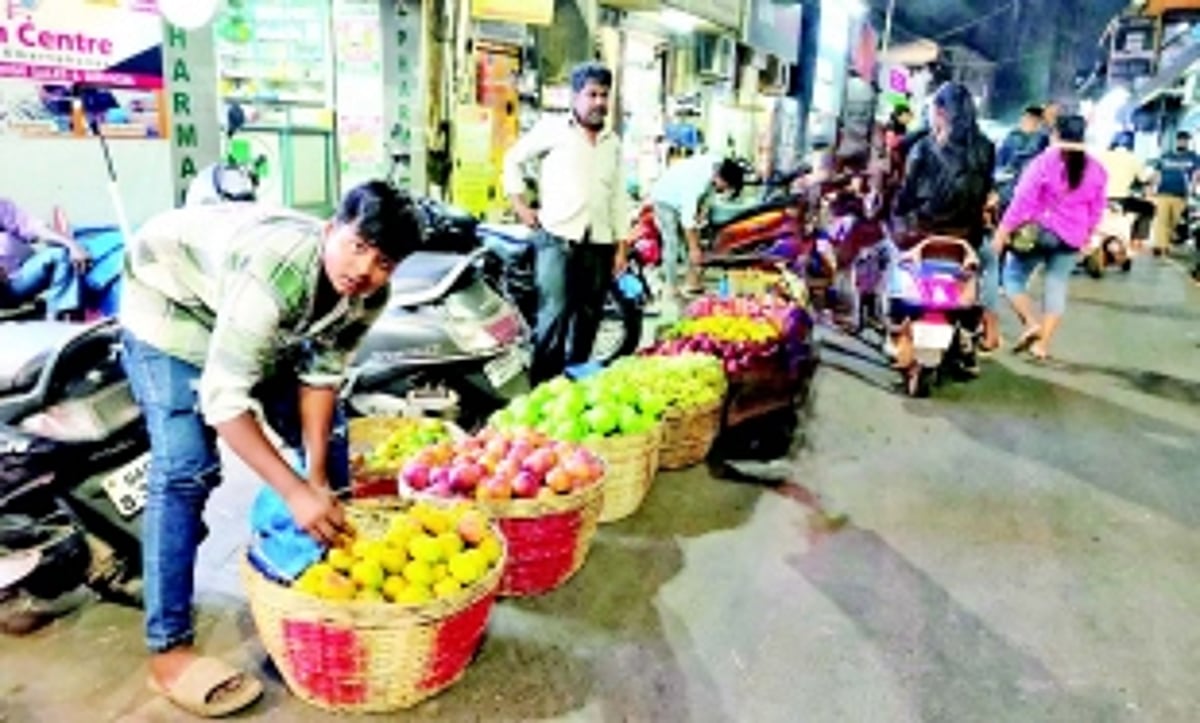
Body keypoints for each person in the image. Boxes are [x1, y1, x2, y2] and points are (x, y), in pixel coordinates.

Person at [120, 182, 419, 717]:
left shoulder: (368, 295)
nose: (364, 269)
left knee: (330, 441)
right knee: (186, 469)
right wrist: (295, 492)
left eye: (384, 262)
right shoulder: (277, 275)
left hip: (237, 305)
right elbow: (225, 401)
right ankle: (168, 647)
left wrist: (318, 480)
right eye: (357, 246)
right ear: (331, 229)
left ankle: (327, 570)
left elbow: (321, 378)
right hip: (170, 302)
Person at [502, 62, 626, 384]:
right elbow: (513, 159)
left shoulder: (612, 142)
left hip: (599, 244)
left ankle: (574, 386)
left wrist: (621, 247)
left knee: (589, 319)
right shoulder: (553, 129)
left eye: (604, 95)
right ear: (575, 96)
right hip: (557, 240)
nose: (599, 102)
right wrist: (519, 205)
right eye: (592, 94)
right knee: (553, 319)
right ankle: (542, 391)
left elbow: (617, 197)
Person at [894, 82, 1000, 353]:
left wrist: (896, 211)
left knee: (889, 254)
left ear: (940, 112)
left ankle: (896, 327)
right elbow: (984, 191)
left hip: (922, 232)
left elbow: (907, 193)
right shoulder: (986, 148)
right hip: (966, 235)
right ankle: (987, 326)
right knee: (990, 261)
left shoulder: (923, 146)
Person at [993, 115, 1106, 361]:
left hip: (1039, 232)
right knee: (1056, 285)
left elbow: (1023, 200)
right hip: (1072, 237)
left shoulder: (1044, 162)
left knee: (1012, 277)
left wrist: (1003, 231)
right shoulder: (1097, 169)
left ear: (1056, 135)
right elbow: (1097, 209)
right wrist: (1087, 236)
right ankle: (1042, 345)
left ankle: (1031, 322)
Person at [650, 154, 744, 305]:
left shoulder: (718, 165)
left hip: (680, 195)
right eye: (725, 187)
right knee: (673, 243)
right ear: (721, 178)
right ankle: (671, 288)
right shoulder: (696, 182)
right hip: (664, 199)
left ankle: (692, 283)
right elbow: (687, 221)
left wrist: (702, 213)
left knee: (691, 244)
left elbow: (708, 196)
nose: (723, 190)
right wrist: (694, 248)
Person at [0, 197, 92, 319]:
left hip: (16, 282)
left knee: (59, 254)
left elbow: (34, 227)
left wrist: (72, 245)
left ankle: (60, 316)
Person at [1098, 131, 1154, 250]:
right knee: (1148, 208)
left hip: (1100, 198)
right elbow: (1143, 178)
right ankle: (1137, 239)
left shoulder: (1102, 156)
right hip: (1122, 200)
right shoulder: (1133, 158)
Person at [1148, 130, 1200, 257]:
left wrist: (1193, 189)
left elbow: (1197, 174)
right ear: (1176, 141)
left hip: (1181, 194)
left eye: (1185, 140)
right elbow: (1157, 173)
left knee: (1175, 221)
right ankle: (1161, 246)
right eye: (1180, 140)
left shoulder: (1193, 157)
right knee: (1161, 220)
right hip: (1163, 192)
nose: (1182, 142)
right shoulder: (1166, 156)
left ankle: (1166, 242)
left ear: (1188, 142)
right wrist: (1151, 188)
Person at [996, 106, 1050, 209]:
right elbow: (1000, 159)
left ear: (1038, 122)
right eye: (1023, 118)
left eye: (1029, 119)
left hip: (1023, 185)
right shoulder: (1012, 136)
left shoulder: (1043, 140)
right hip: (1005, 180)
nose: (1024, 121)